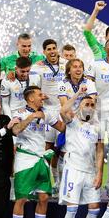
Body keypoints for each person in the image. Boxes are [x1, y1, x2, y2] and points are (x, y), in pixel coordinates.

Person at [10, 86, 65, 218]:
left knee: (43, 198)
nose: (43, 97)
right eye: (40, 95)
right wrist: (32, 117)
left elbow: (63, 128)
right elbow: (16, 130)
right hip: (25, 159)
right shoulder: (19, 112)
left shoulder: (45, 113)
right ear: (30, 98)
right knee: (21, 199)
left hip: (41, 159)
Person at [59, 87, 104, 218]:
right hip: (73, 169)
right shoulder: (72, 120)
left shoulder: (98, 126)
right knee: (72, 208)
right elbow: (63, 109)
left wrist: (99, 172)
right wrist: (78, 95)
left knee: (94, 207)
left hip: (90, 171)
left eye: (93, 104)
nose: (90, 107)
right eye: (87, 103)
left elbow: (100, 150)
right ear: (80, 105)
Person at [86, 38, 109, 198]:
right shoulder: (96, 65)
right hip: (99, 112)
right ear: (105, 48)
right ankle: (95, 179)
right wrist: (92, 99)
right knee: (98, 145)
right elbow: (88, 82)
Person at [31, 39, 66, 195]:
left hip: (63, 111)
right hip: (47, 111)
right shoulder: (37, 68)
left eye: (54, 48)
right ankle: (44, 184)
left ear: (57, 50)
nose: (52, 51)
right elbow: (33, 89)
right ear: (44, 51)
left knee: (62, 150)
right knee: (47, 149)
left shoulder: (66, 64)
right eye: (49, 49)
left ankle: (60, 184)